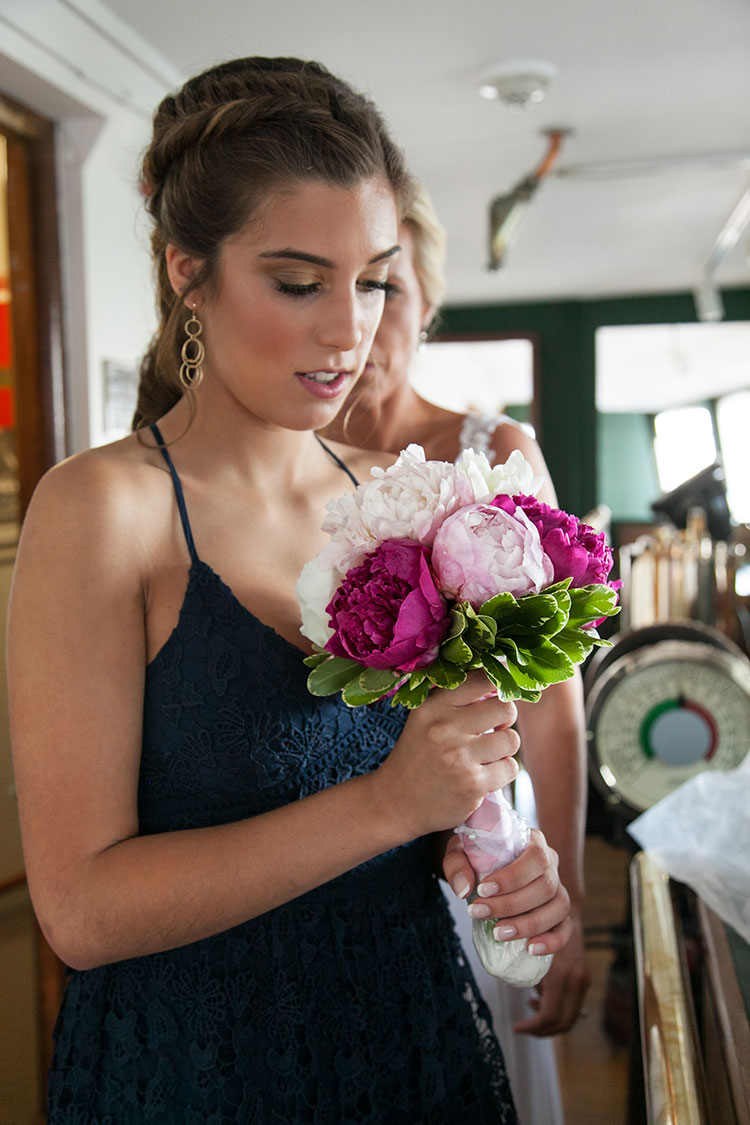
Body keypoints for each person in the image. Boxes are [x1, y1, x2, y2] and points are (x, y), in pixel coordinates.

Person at [7, 58, 573, 1123]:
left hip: (407, 1043)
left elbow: (427, 790)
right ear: (190, 271)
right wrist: (386, 806)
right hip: (196, 1072)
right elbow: (78, 910)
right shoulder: (102, 511)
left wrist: (500, 855)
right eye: (299, 282)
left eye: (371, 280)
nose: (346, 330)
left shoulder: (397, 507)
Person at [321, 183, 591, 1124]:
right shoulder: (286, 466)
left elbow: (553, 699)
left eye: (385, 289)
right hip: (336, 836)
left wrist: (572, 885)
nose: (359, 320)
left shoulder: (490, 453)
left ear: (427, 305)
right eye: (337, 287)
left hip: (478, 833)